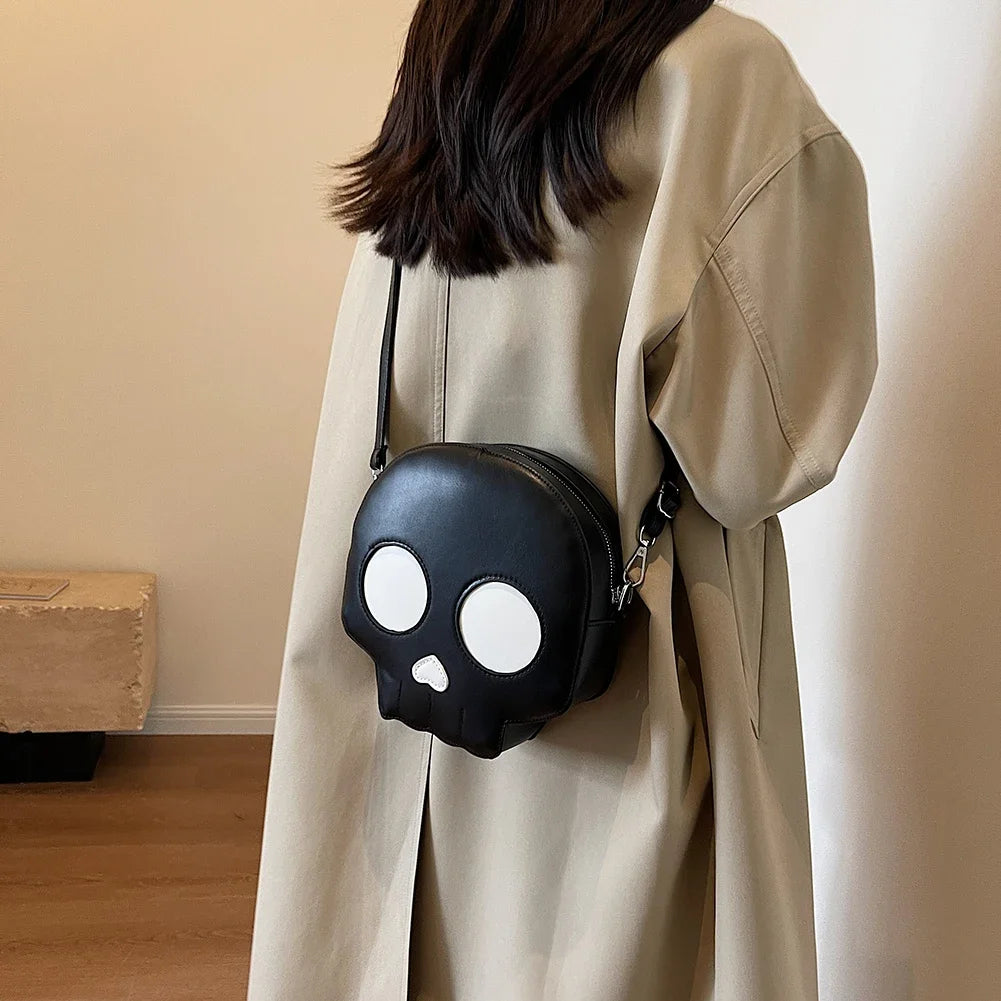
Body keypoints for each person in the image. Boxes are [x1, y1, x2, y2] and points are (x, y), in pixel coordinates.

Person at [247, 2, 878, 999]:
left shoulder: (455, 38)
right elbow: (759, 456)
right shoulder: (721, 74)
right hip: (610, 690)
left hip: (393, 631)